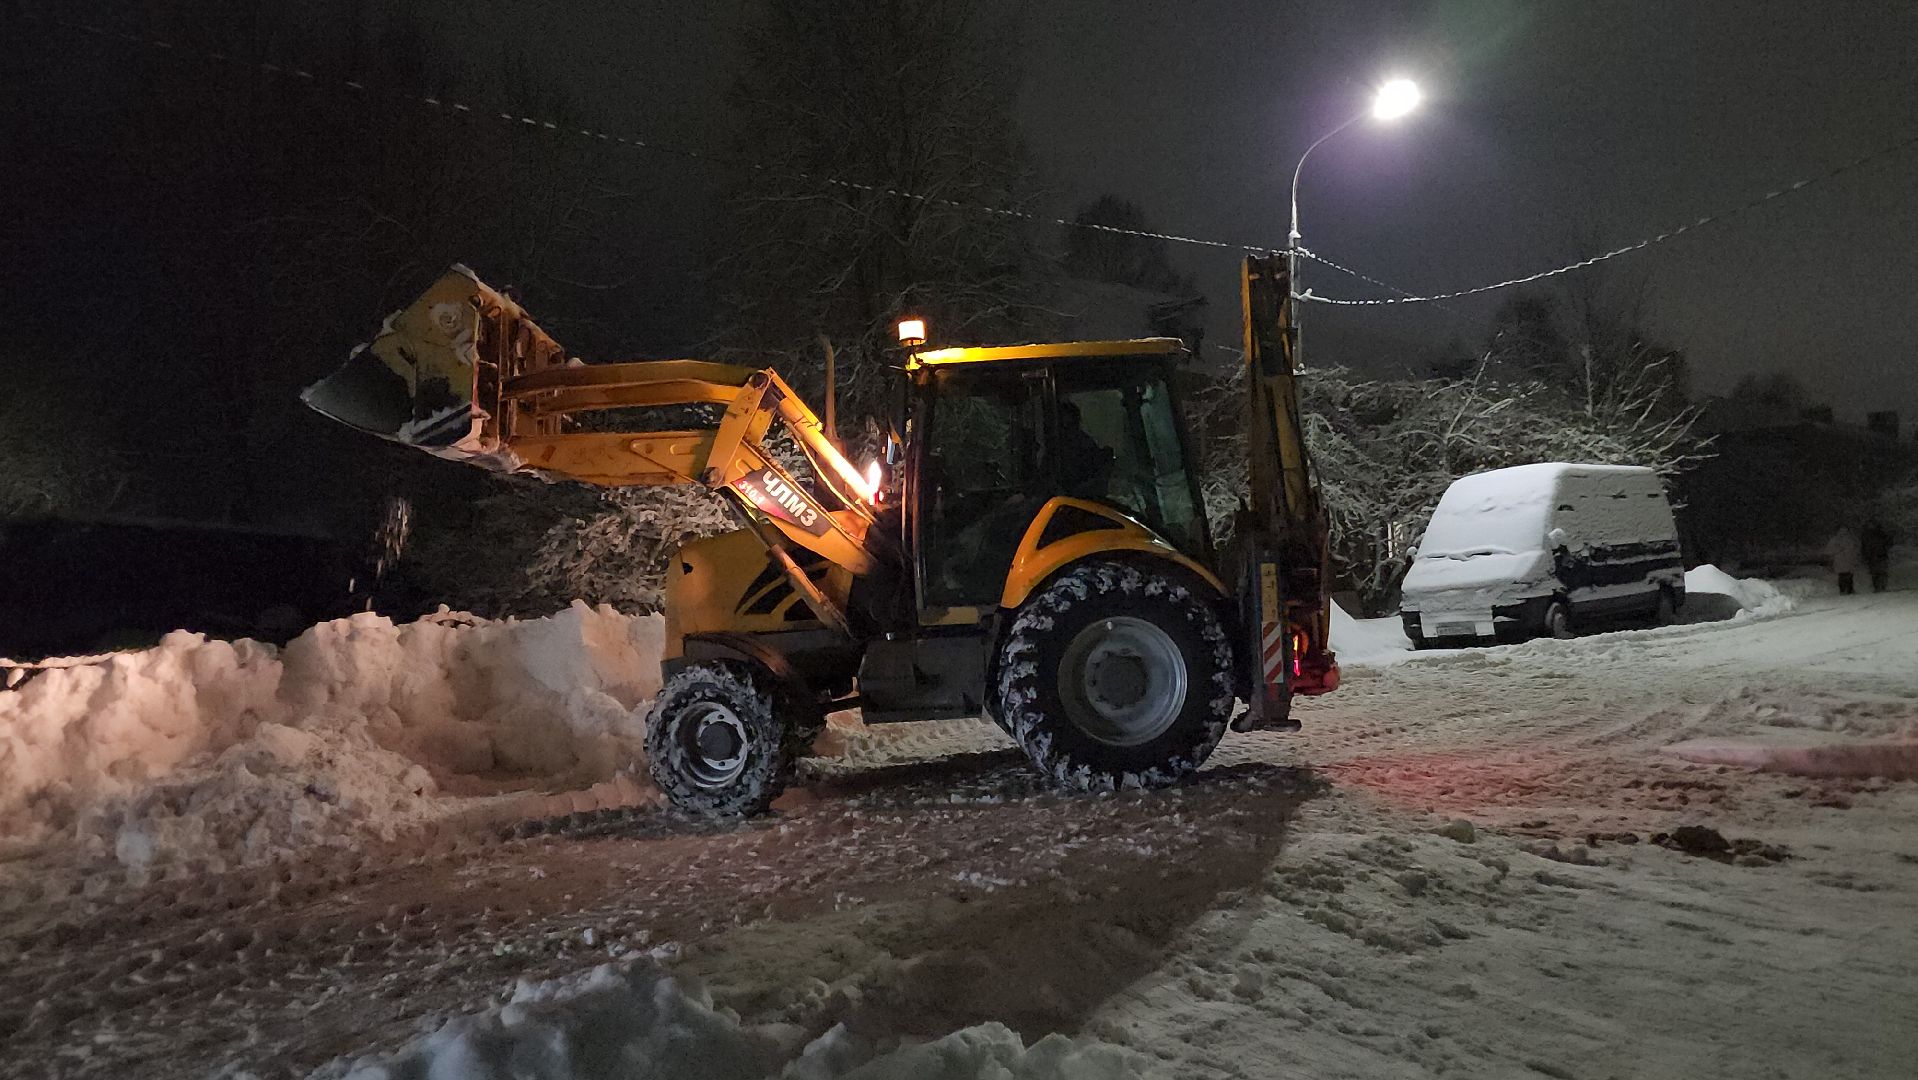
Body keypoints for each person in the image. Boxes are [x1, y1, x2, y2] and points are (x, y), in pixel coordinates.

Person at [1825, 525, 1861, 595]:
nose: (1843, 532)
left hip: (1848, 560)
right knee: (1842, 576)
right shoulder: (1835, 540)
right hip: (1840, 561)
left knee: (1849, 575)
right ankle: (1843, 590)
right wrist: (1838, 550)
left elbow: (1855, 550)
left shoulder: (1850, 540)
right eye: (1842, 530)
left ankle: (1849, 590)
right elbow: (1828, 551)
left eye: (1845, 530)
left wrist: (1855, 558)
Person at [1860, 518, 1894, 593]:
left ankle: (1880, 586)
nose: (1870, 526)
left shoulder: (1878, 533)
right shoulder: (1869, 534)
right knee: (1877, 572)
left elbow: (1888, 543)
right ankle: (1879, 587)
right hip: (1874, 556)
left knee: (1879, 572)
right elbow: (1864, 546)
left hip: (1878, 555)